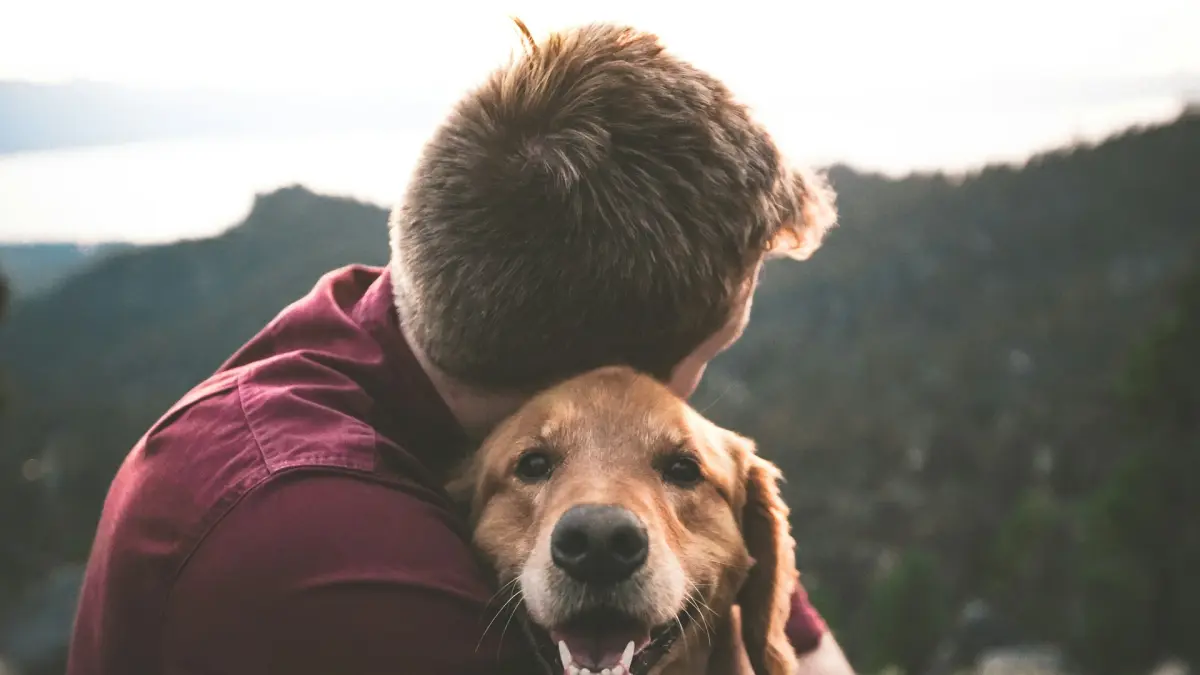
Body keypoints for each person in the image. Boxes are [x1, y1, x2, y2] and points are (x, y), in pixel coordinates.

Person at [66, 21, 849, 675]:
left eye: (671, 461)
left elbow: (799, 650)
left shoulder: (392, 321)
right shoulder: (334, 556)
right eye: (712, 350)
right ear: (602, 373)